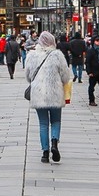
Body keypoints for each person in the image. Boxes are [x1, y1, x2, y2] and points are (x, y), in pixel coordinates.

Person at [26, 31, 72, 164]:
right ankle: (54, 144)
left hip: (38, 94)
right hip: (55, 93)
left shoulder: (32, 55)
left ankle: (45, 153)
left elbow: (28, 77)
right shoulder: (57, 55)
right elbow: (65, 77)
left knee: (43, 123)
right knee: (56, 121)